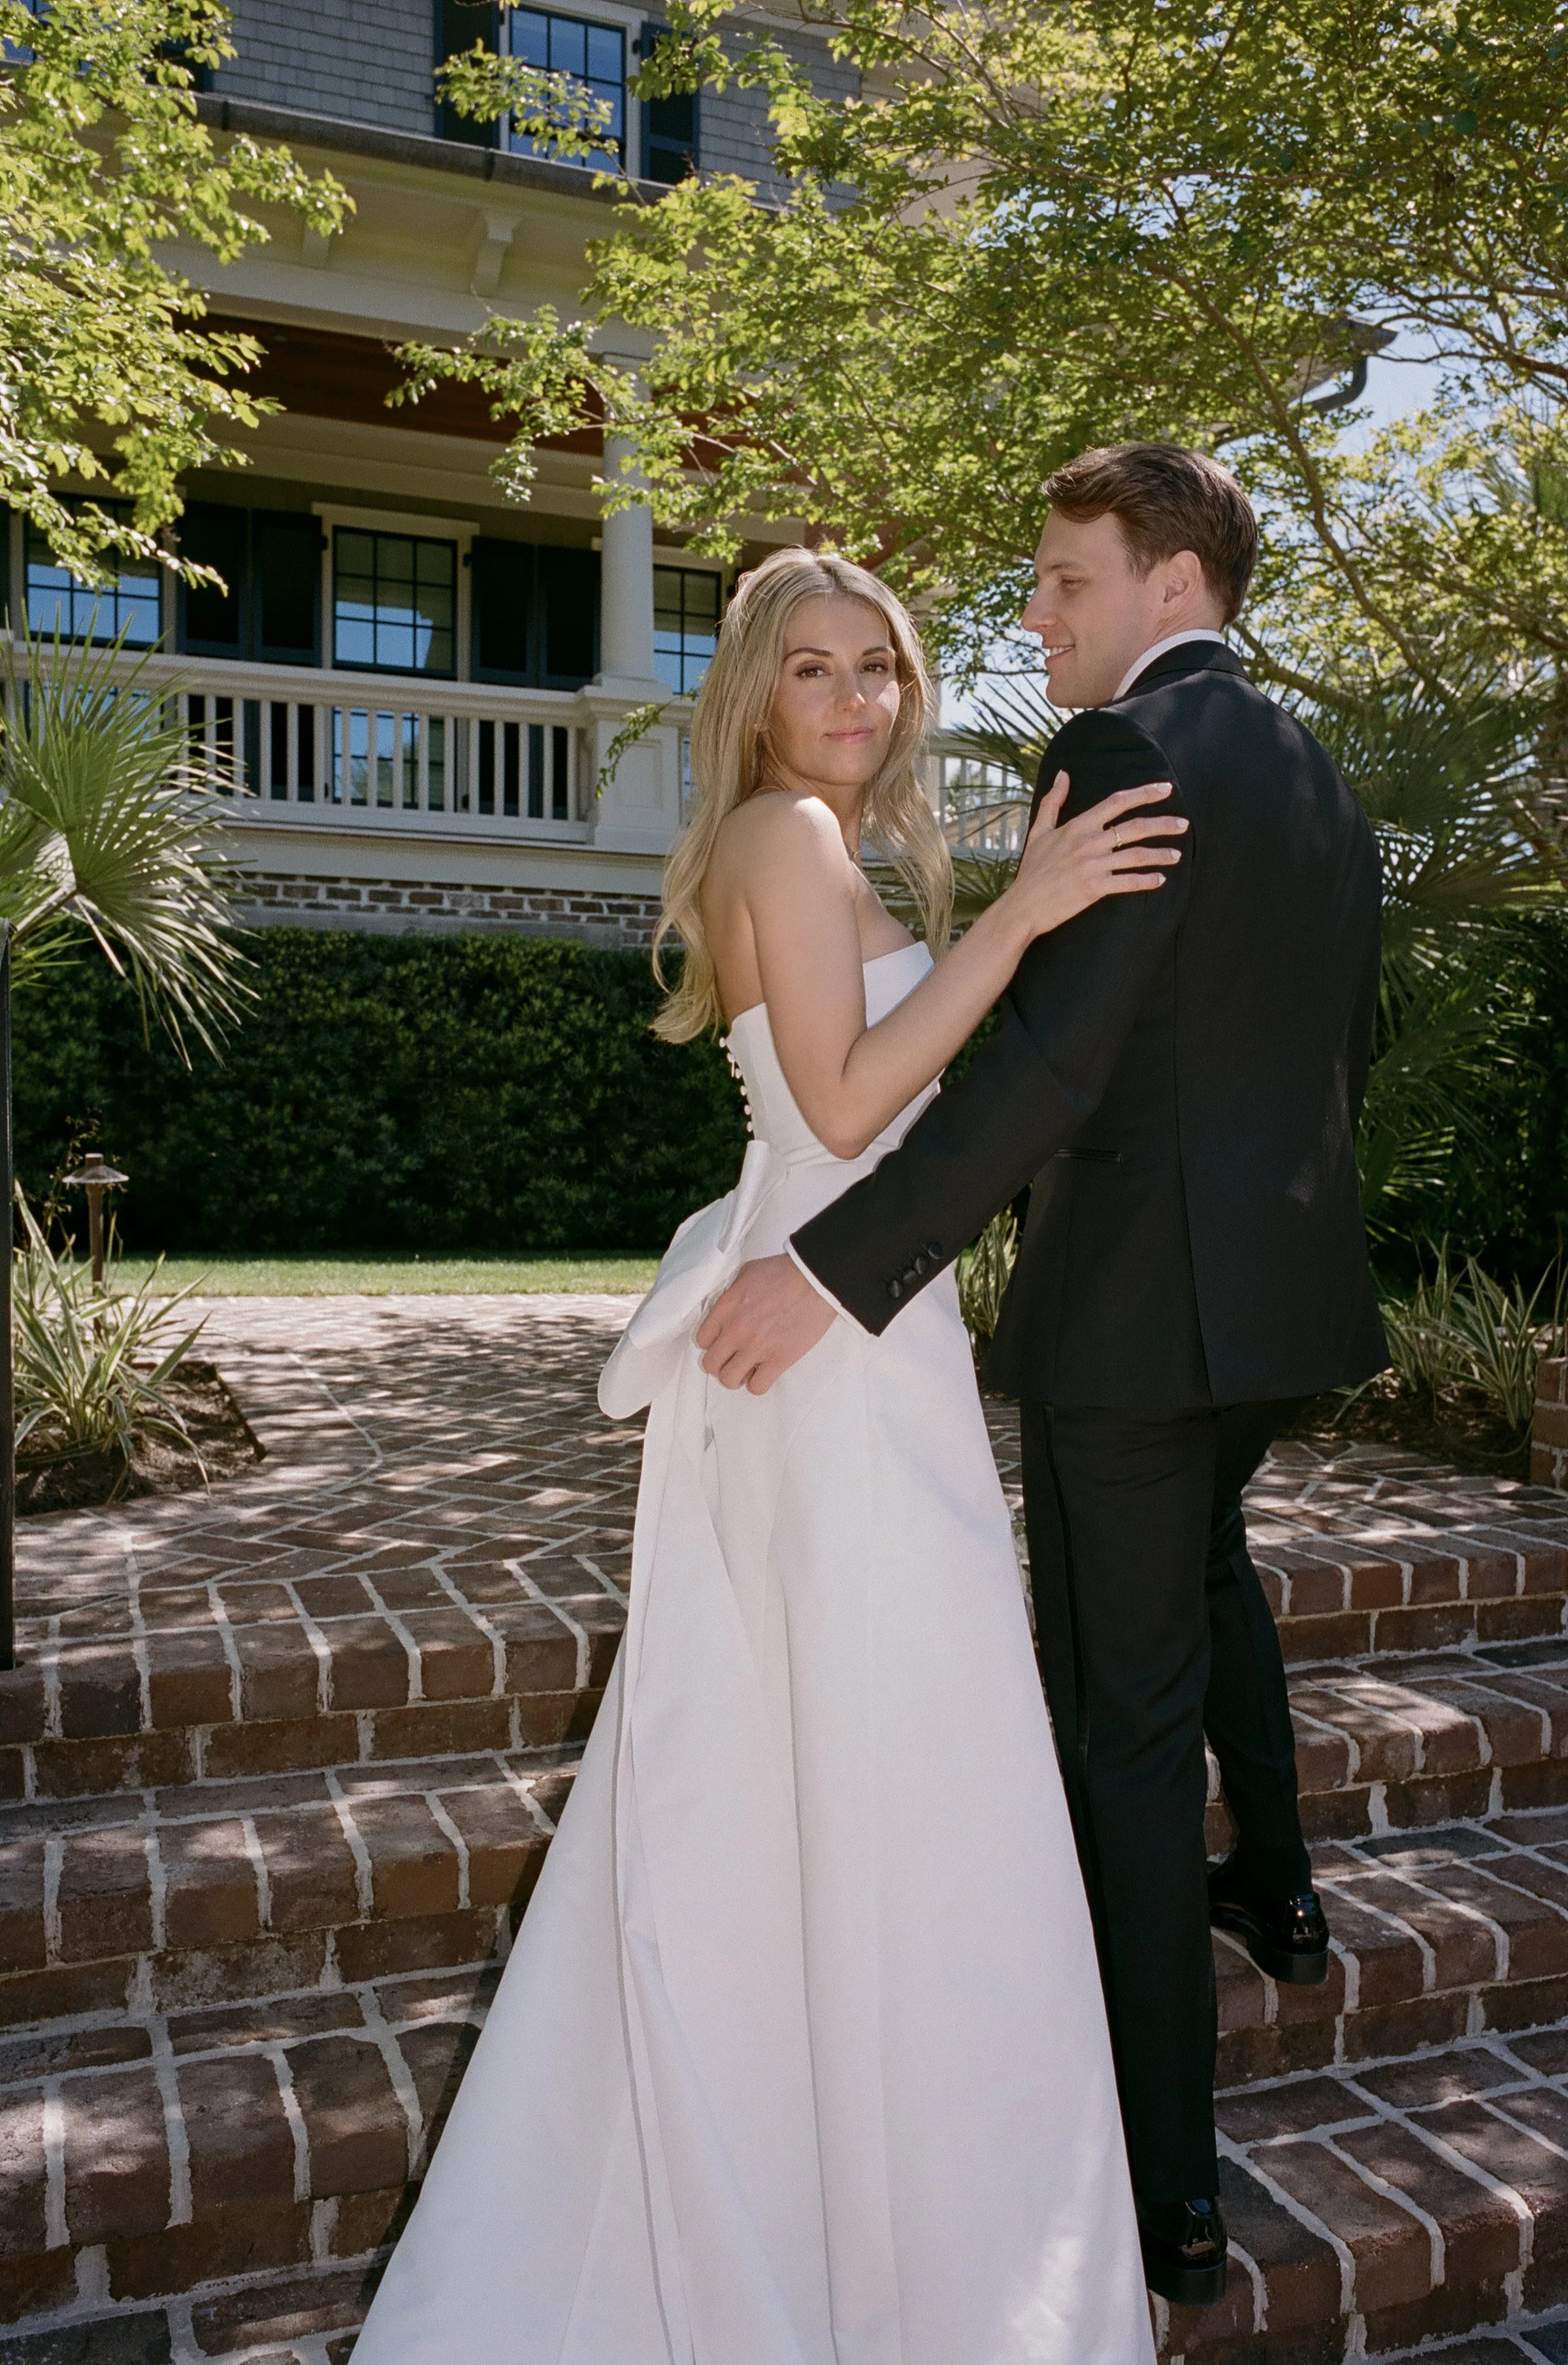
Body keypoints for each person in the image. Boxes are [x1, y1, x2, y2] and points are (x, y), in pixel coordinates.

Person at [351, 544, 1187, 2365]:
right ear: (757, 693)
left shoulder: (821, 843)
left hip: (858, 1335)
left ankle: (865, 2211)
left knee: (851, 1777)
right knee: (884, 1769)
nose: (856, 698)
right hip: (823, 1356)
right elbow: (848, 1100)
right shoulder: (785, 841)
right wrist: (1033, 908)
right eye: (812, 670)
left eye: (877, 663)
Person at [696, 445, 1388, 2308]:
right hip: (1282, 1313)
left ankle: (1167, 2194)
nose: (1037, 617)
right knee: (1208, 1564)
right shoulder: (1320, 773)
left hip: (1133, 1327)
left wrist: (839, 1274)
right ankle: (1292, 1891)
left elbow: (1053, 1076)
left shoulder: (1123, 757)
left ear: (1171, 581)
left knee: (1129, 1736)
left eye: (1066, 581)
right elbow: (1340, 1041)